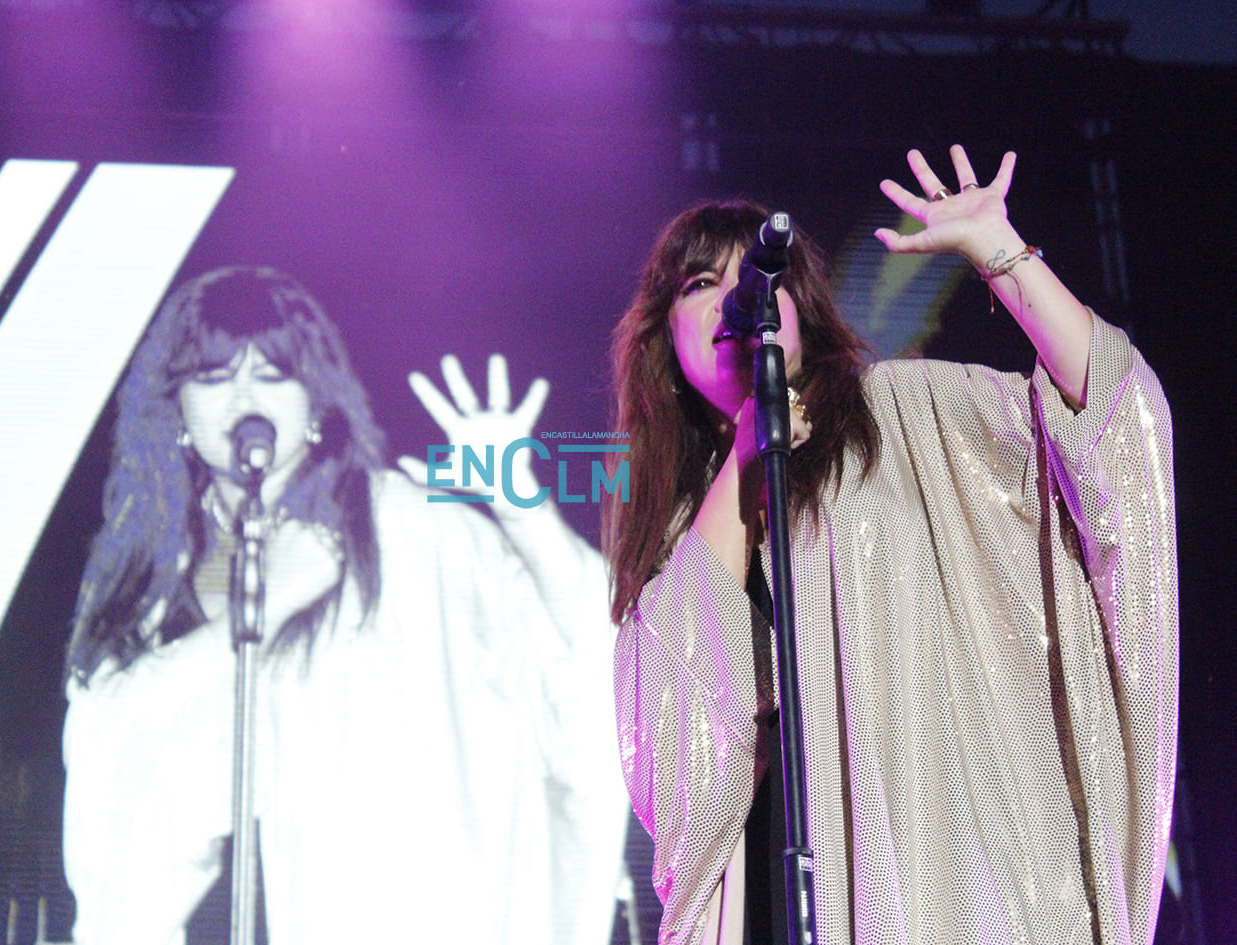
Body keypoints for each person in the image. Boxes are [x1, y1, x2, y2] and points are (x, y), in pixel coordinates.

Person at [605, 146, 1177, 945]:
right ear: (665, 339)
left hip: (956, 889)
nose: (736, 295)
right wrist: (743, 460)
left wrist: (999, 250)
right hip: (774, 909)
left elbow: (1111, 419)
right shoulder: (677, 523)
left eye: (757, 276)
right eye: (700, 283)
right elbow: (678, 760)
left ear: (799, 308)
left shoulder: (910, 413)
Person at [61, 266, 623, 945]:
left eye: (272, 374)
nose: (244, 398)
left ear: (315, 402)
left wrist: (519, 507)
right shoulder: (148, 570)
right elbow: (105, 765)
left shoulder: (401, 528)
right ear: (176, 406)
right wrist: (256, 610)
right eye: (212, 376)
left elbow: (593, 652)